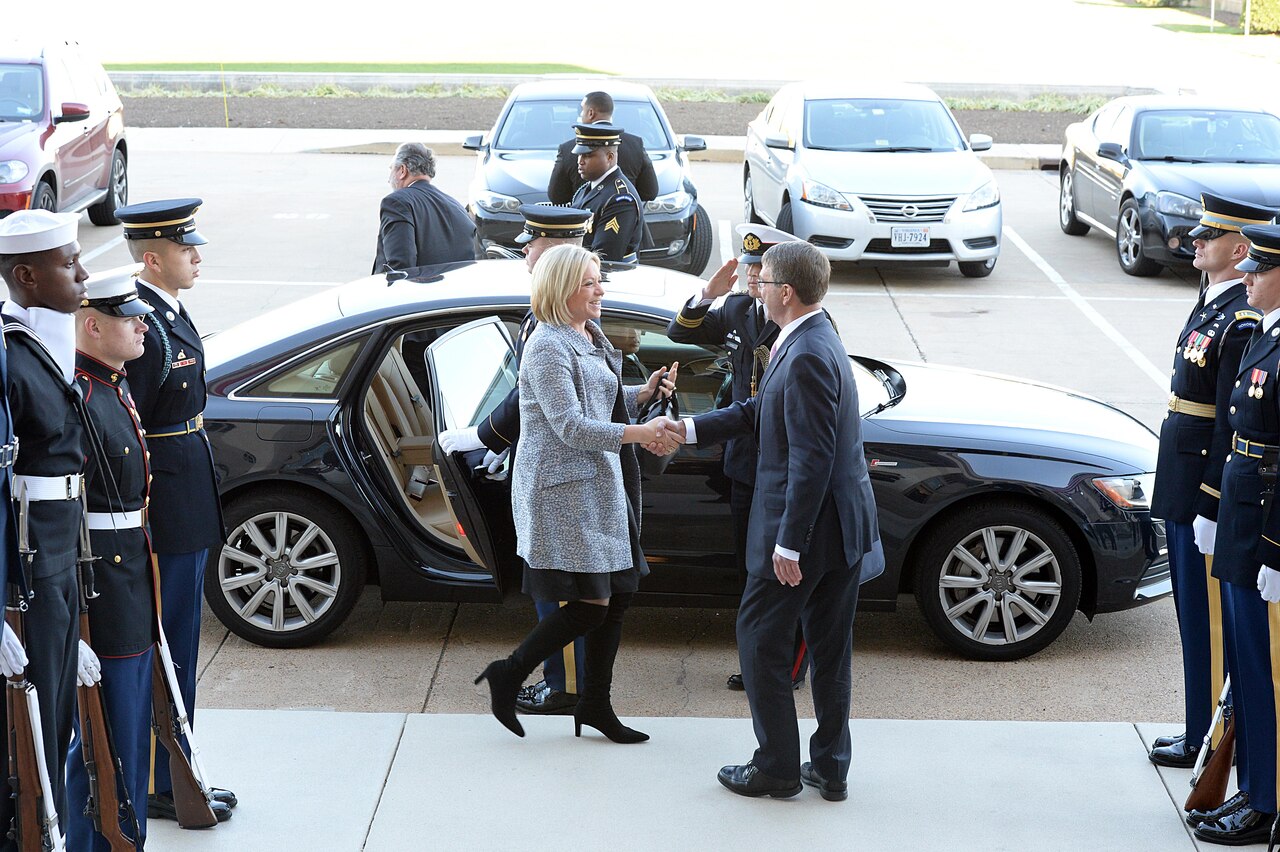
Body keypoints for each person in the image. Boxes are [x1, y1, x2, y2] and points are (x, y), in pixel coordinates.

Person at [653, 241, 880, 799]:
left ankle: (777, 767)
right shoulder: (810, 335)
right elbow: (760, 411)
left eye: (764, 278)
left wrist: (790, 545)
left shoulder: (802, 353)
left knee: (758, 641)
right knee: (829, 653)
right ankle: (829, 767)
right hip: (841, 532)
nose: (753, 284)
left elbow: (810, 460)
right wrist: (693, 429)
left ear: (786, 291)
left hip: (807, 535)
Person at [474, 244, 676, 744]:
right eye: (590, 283)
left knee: (620, 595)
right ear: (563, 290)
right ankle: (511, 672)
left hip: (597, 487)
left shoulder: (585, 332)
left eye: (598, 280)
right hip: (563, 492)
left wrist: (643, 394)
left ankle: (594, 705)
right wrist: (643, 434)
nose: (600, 290)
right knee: (592, 604)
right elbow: (569, 425)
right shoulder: (546, 345)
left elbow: (598, 399)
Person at [440, 204, 593, 715]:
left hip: (562, 478)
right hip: (557, 469)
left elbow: (546, 404)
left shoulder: (560, 321)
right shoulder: (549, 313)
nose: (525, 251)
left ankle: (565, 686)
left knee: (561, 589)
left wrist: (485, 437)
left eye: (533, 244)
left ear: (556, 250)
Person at [113, 198, 236, 822]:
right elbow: (128, 430)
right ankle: (167, 779)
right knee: (172, 647)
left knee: (182, 642)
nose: (197, 256)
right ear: (152, 257)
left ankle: (177, 769)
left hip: (186, 498)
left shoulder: (168, 315)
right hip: (167, 508)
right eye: (186, 249)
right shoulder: (147, 325)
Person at [1148, 194, 1275, 770]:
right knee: (1191, 620)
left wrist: (1209, 498)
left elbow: (1230, 420)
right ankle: (1199, 729)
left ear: (1240, 247)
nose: (1195, 242)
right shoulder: (1212, 304)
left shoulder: (1241, 319)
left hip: (1206, 482)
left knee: (1210, 627)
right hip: (1183, 474)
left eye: (1208, 236)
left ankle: (1210, 740)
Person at [668, 224, 810, 693]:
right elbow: (678, 331)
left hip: (778, 457)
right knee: (750, 565)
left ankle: (786, 667)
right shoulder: (736, 309)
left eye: (759, 269)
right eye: (748, 269)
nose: (752, 278)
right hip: (743, 461)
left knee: (780, 567)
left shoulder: (791, 322)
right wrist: (705, 293)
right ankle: (762, 655)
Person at [0, 208, 92, 828]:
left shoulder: (46, 339)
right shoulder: (11, 352)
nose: (83, 273)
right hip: (30, 555)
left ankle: (52, 828)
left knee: (58, 714)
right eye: (68, 264)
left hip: (61, 547)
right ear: (28, 276)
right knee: (32, 729)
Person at [1190, 222, 1280, 846]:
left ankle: (1266, 799)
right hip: (1242, 516)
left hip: (1265, 526)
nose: (1247, 276)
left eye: (1260, 270)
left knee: (1263, 669)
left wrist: (1275, 547)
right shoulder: (1265, 335)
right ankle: (1250, 788)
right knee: (1244, 670)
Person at [66, 264, 161, 849]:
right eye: (129, 320)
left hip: (130, 572)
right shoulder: (78, 395)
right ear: (92, 326)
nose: (142, 328)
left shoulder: (115, 383)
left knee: (131, 733)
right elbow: (66, 519)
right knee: (106, 735)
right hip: (102, 581)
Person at [372, 142, 476, 274]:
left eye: (391, 168)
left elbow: (400, 268)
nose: (389, 179)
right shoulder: (458, 208)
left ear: (402, 170)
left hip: (413, 292)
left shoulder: (397, 203)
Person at [548, 91, 658, 205]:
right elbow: (650, 192)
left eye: (582, 110)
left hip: (586, 217)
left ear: (590, 113)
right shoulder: (636, 144)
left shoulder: (567, 148)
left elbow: (557, 196)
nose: (580, 115)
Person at [569, 124, 645, 265]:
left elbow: (605, 258)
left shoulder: (620, 199)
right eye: (579, 154)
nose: (580, 161)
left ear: (609, 157)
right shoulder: (585, 189)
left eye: (588, 155)